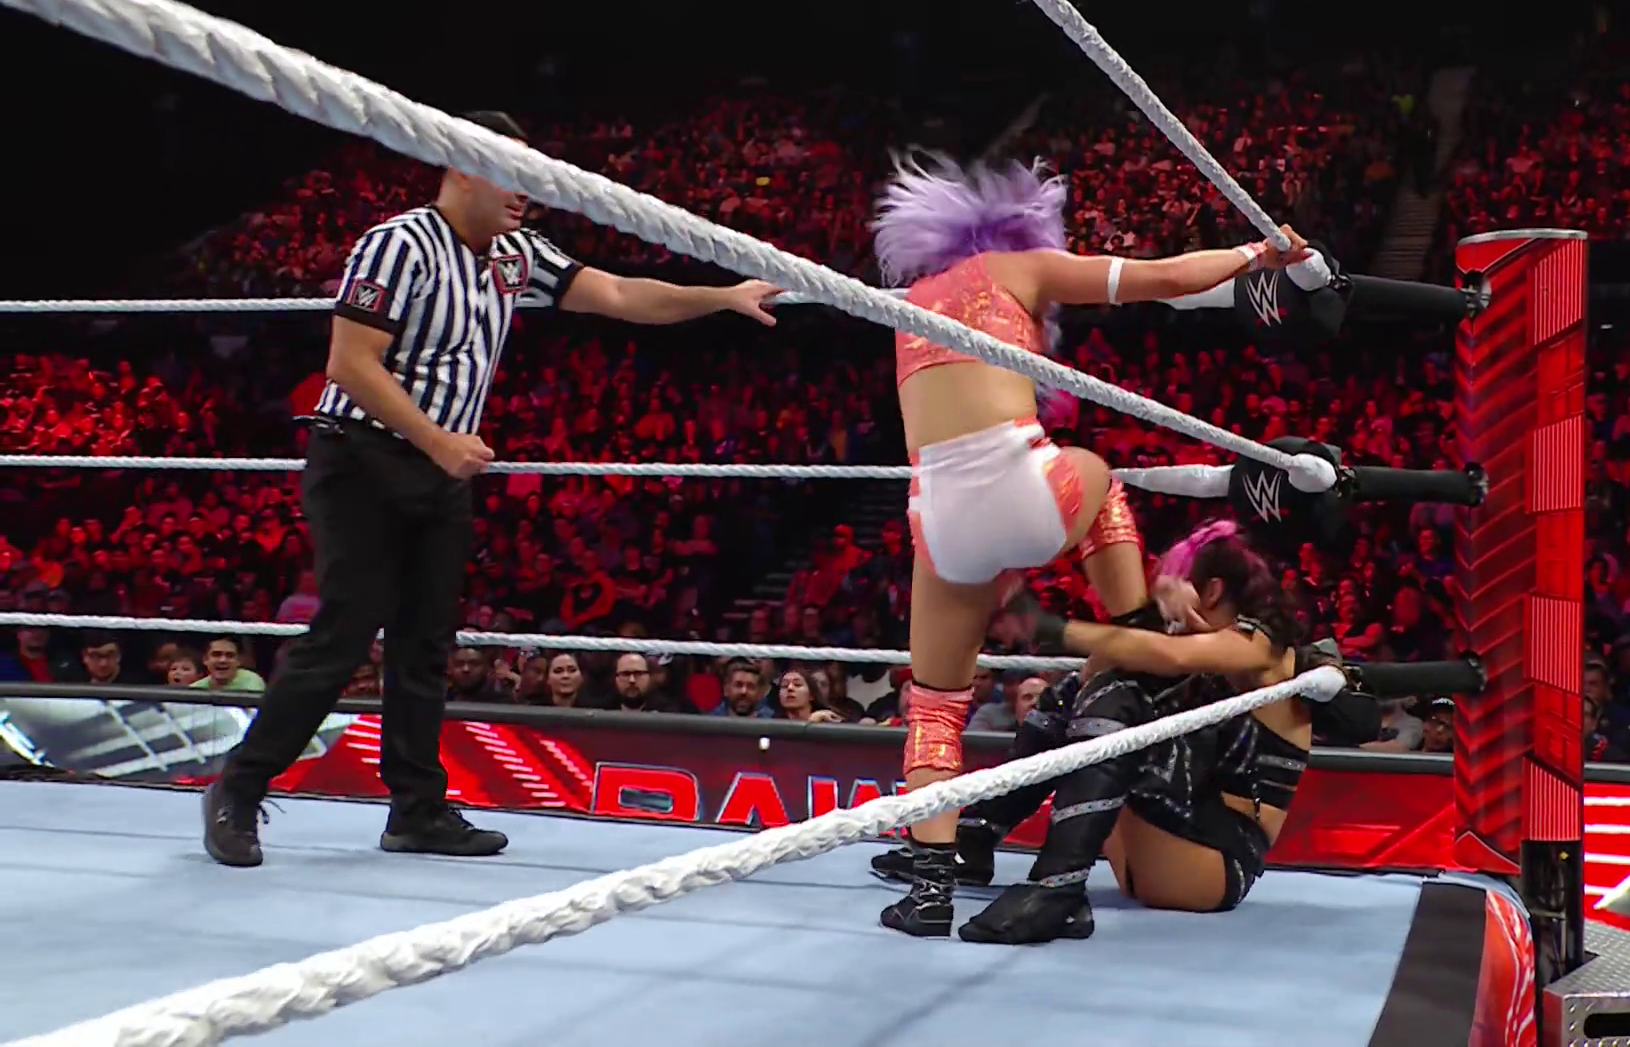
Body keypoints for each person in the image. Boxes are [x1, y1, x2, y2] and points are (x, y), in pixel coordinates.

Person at [201, 110, 786, 869]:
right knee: (345, 630)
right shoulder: (397, 244)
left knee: (426, 644)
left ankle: (416, 809)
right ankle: (239, 787)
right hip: (362, 458)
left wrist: (721, 296)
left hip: (443, 466)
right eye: (511, 173)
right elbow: (350, 363)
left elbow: (616, 293)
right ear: (460, 166)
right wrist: (438, 439)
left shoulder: (517, 253)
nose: (525, 191)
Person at [871, 152, 1324, 937]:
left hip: (936, 515)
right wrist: (1259, 252)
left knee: (935, 708)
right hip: (1025, 484)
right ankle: (1136, 633)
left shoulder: (912, 301)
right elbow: (1166, 279)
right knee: (1100, 476)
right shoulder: (1020, 266)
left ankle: (931, 889)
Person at [876, 521, 1365, 943]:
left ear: (1212, 591)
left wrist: (1045, 625)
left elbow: (1164, 656)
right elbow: (1097, 671)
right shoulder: (1203, 653)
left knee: (1120, 690)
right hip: (1162, 847)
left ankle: (1057, 888)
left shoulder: (1266, 650)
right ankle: (978, 839)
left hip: (1212, 861)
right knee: (1078, 691)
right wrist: (1157, 616)